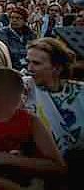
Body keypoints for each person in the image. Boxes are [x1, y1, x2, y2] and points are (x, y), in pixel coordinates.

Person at [0, 67, 66, 190]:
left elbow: (58, 166)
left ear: (3, 95)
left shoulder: (31, 121)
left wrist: (12, 160)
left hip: (27, 181)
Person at [23, 38, 83, 173]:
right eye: (28, 62)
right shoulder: (23, 89)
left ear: (57, 68)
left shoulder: (80, 94)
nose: (29, 68)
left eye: (36, 63)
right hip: (38, 168)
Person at [0, 6, 36, 70]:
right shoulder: (2, 34)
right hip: (11, 68)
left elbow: (34, 52)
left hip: (28, 67)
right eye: (12, 18)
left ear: (24, 21)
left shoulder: (30, 33)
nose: (14, 20)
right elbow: (11, 53)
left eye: (18, 18)